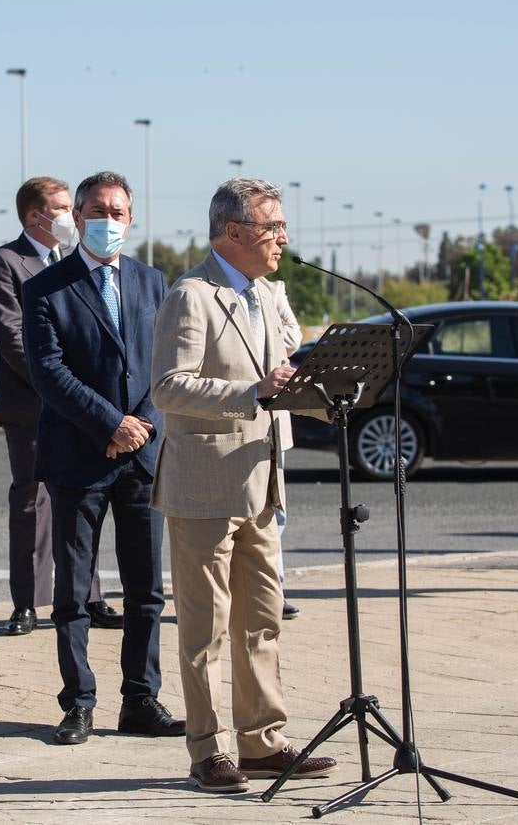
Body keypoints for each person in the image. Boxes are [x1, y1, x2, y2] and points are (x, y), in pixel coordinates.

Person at [150, 178, 337, 793]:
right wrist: (250, 393)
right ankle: (208, 750)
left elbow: (285, 379)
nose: (282, 237)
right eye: (272, 227)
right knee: (204, 628)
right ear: (234, 232)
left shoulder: (270, 294)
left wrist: (330, 391)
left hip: (265, 481)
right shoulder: (191, 296)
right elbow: (169, 389)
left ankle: (262, 741)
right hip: (205, 483)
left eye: (282, 226)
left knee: (261, 620)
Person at [22, 171, 183, 745]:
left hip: (142, 457)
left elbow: (166, 365)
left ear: (131, 219)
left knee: (147, 591)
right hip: (79, 456)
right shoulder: (47, 287)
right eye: (95, 210)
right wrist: (108, 424)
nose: (106, 221)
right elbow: (49, 372)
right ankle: (79, 702)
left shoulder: (152, 282)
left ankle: (141, 699)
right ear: (77, 216)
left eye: (117, 212)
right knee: (74, 591)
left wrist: (138, 427)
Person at [0, 175, 122, 636]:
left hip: (84, 403)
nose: (71, 217)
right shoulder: (4, 262)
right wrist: (60, 383)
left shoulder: (78, 262)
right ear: (34, 215)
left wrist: (85, 392)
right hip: (32, 404)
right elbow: (11, 335)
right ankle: (28, 601)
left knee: (86, 498)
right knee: (32, 501)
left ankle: (89, 595)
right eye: (62, 208)